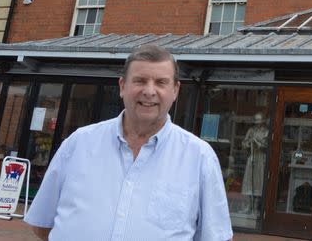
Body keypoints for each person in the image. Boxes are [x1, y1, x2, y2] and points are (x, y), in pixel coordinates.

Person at [25, 44, 233, 241]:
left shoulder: (199, 156)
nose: (149, 91)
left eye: (161, 82)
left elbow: (216, 236)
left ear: (175, 91)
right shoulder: (78, 143)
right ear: (123, 86)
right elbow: (43, 224)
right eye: (140, 80)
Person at [240, 112, 268, 214]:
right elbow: (244, 143)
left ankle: (256, 207)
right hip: (252, 157)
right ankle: (249, 206)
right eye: (256, 122)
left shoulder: (267, 132)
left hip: (261, 158)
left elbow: (266, 146)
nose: (258, 124)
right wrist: (248, 143)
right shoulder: (251, 130)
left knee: (258, 182)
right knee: (249, 181)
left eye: (260, 122)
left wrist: (257, 142)